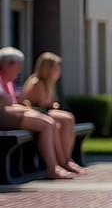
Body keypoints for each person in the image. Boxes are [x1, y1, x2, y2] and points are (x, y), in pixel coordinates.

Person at [0, 47, 75, 180]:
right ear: (6, 65)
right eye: (17, 68)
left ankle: (61, 163)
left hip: (9, 114)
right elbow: (6, 103)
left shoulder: (8, 81)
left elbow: (11, 104)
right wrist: (25, 109)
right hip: (3, 117)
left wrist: (23, 109)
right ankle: (53, 168)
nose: (19, 72)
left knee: (52, 123)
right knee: (47, 123)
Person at [20, 51, 86, 174]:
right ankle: (62, 161)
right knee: (61, 122)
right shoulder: (37, 82)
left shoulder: (48, 83)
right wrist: (53, 104)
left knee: (68, 118)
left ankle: (66, 159)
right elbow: (43, 104)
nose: (58, 71)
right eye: (56, 68)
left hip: (42, 112)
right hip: (36, 112)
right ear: (47, 68)